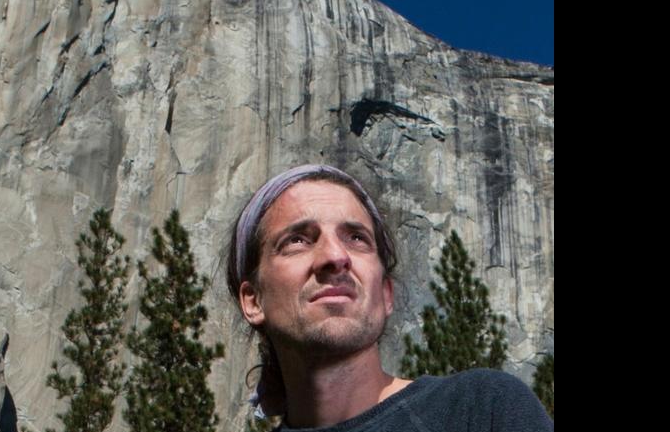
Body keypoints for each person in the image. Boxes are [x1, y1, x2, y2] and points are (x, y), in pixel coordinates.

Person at [226, 164, 553, 431]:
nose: (336, 256)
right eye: (297, 240)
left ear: (385, 294)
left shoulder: (482, 410)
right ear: (253, 300)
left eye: (356, 238)